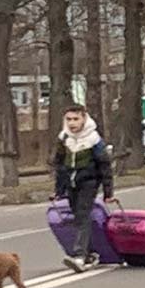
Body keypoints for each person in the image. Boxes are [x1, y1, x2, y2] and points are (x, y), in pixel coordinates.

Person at [52, 104, 115, 273]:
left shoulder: (93, 139)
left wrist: (108, 192)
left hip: (89, 183)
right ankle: (88, 253)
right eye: (69, 119)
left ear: (84, 119)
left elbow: (105, 166)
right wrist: (58, 190)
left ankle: (80, 255)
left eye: (76, 119)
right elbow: (59, 165)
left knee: (83, 214)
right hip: (71, 184)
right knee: (78, 217)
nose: (72, 123)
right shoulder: (64, 138)